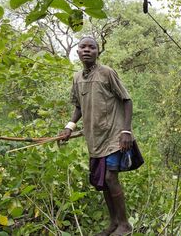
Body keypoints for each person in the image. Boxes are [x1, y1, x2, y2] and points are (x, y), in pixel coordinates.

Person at [60, 36, 133, 236]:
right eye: (82, 47)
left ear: (97, 52)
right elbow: (78, 107)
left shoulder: (107, 73)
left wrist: (126, 131)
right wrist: (69, 127)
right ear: (77, 52)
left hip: (114, 135)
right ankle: (114, 223)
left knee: (110, 177)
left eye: (91, 47)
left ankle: (125, 225)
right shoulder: (76, 78)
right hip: (95, 138)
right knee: (101, 181)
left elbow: (127, 100)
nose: (87, 50)